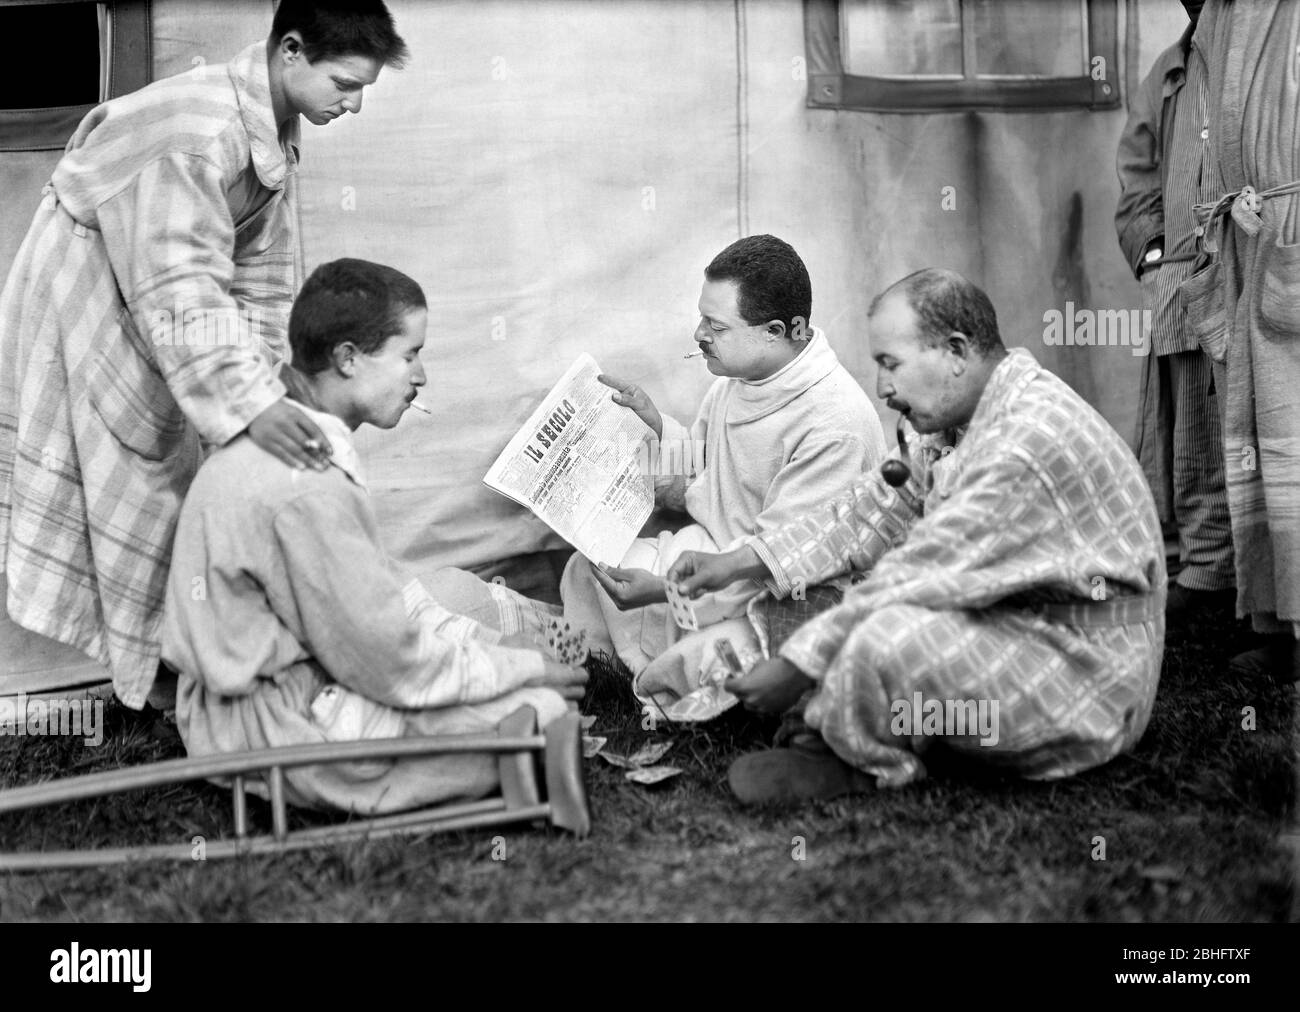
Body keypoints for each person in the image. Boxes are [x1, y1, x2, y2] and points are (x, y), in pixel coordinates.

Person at [0, 0, 407, 710]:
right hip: (91, 297)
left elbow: (255, 278)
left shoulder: (268, 129)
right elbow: (179, 285)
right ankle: (171, 690)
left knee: (185, 477)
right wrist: (248, 407)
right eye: (344, 85)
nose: (355, 105)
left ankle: (188, 677)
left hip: (159, 308)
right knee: (129, 480)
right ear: (290, 51)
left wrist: (276, 388)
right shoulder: (201, 129)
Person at [670, 269, 1165, 804]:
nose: (883, 389)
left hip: (1087, 676)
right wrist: (739, 562)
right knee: (821, 609)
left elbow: (925, 570)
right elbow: (864, 513)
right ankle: (842, 723)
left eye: (891, 365)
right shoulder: (957, 422)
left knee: (882, 634)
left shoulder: (1025, 441)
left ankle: (852, 759)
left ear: (955, 352)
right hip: (1010, 623)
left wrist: (796, 666)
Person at [162, 259, 588, 814]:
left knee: (470, 634)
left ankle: (510, 749)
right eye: (409, 355)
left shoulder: (275, 438)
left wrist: (493, 655)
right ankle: (509, 755)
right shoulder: (306, 483)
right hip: (275, 725)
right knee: (546, 702)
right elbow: (390, 663)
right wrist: (522, 668)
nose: (422, 376)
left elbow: (368, 620)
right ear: (347, 358)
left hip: (256, 699)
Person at [559, 234, 886, 698]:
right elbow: (700, 476)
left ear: (775, 331)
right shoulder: (739, 380)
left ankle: (637, 673)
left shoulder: (835, 426)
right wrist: (656, 427)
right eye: (701, 318)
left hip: (777, 597)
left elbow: (783, 562)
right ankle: (600, 669)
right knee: (587, 568)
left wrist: (664, 592)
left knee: (706, 661)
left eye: (716, 325)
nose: (699, 334)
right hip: (707, 556)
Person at [1180, 0, 1300, 679]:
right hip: (1247, 241)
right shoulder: (1219, 19)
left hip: (1288, 234)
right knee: (1259, 438)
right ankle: (1280, 620)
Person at [1115, 0, 1235, 633]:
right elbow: (1136, 179)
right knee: (1188, 424)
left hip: (1256, 266)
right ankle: (1205, 572)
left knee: (1252, 426)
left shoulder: (1270, 62)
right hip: (1183, 276)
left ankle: (1267, 595)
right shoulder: (1170, 70)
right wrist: (1157, 257)